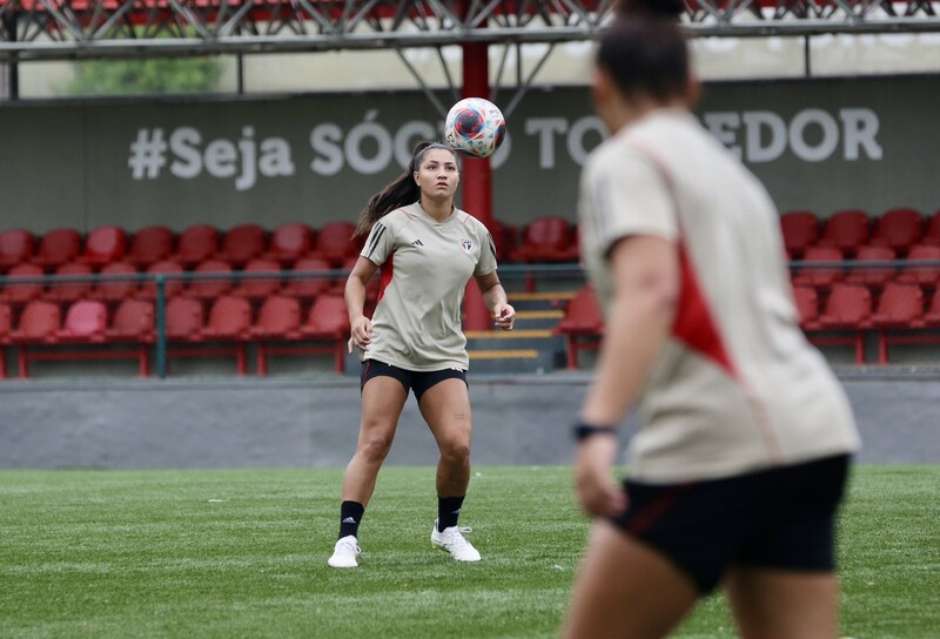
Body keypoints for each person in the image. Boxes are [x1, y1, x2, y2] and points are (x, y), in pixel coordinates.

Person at [561, 1, 861, 637]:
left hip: (718, 441)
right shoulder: (731, 173)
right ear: (692, 85)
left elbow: (650, 290)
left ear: (601, 86)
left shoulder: (627, 159)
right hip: (814, 436)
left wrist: (596, 428)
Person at [327, 142, 515, 569]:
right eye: (432, 167)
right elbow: (357, 280)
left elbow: (490, 284)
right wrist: (357, 318)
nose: (442, 173)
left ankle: (446, 529)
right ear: (417, 177)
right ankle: (347, 540)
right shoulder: (394, 224)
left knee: (458, 446)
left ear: (458, 177)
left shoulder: (474, 232)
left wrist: (500, 305)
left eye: (450, 166)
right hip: (390, 345)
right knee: (375, 442)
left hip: (444, 352)